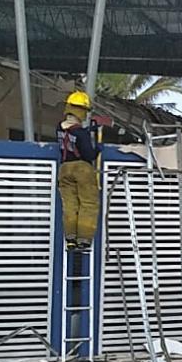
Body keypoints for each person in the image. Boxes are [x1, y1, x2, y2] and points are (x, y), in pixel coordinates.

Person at [57, 90, 100, 252]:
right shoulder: (81, 133)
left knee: (70, 205)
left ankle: (70, 239)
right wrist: (97, 148)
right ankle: (83, 240)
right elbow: (89, 154)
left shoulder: (59, 129)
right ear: (81, 111)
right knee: (88, 204)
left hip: (64, 168)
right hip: (81, 168)